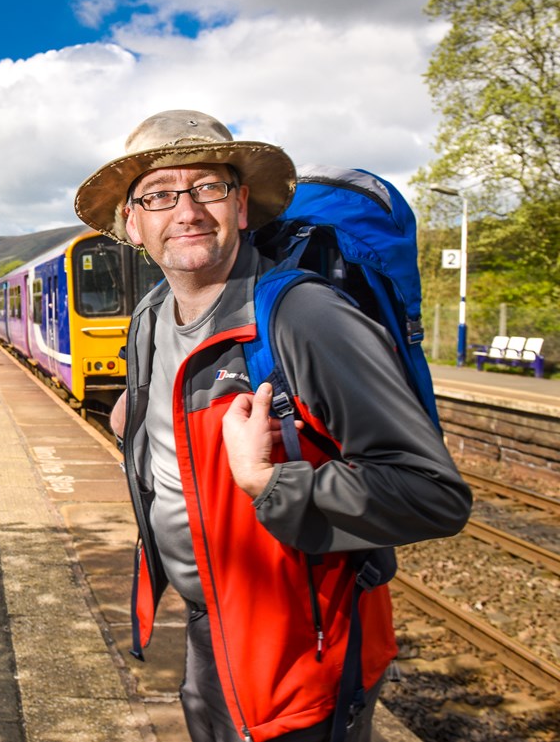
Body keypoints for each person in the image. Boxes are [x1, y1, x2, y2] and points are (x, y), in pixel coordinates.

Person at [74, 110, 472, 742]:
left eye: (208, 187)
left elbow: (432, 495)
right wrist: (141, 419)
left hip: (304, 644)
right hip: (209, 625)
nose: (187, 211)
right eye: (159, 194)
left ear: (243, 204)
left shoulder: (306, 317)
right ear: (132, 221)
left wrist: (270, 483)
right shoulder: (151, 318)